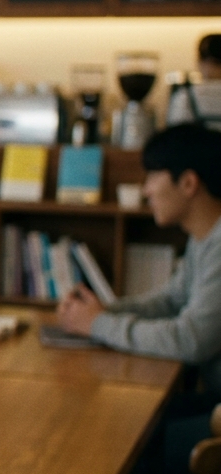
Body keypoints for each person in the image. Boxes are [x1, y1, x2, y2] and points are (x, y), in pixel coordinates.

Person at [59, 124, 221, 384]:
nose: (146, 191)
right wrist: (98, 312)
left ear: (189, 183)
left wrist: (98, 323)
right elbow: (170, 302)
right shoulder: (203, 238)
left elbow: (191, 340)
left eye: (153, 177)